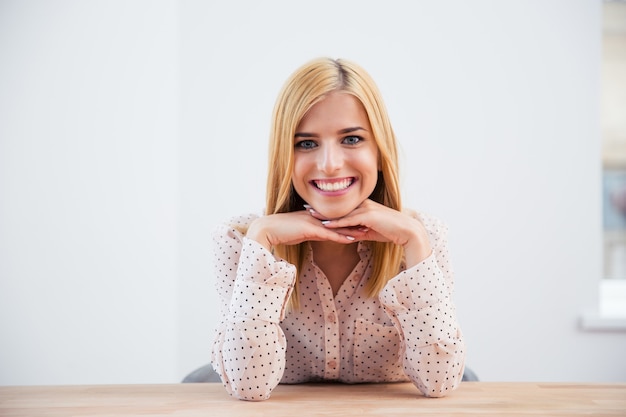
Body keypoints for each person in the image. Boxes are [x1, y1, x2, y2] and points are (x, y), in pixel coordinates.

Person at [210, 57, 465, 401]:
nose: (329, 164)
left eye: (351, 139)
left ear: (379, 150)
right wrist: (262, 241)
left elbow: (440, 382)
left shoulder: (425, 236)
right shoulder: (241, 240)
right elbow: (248, 387)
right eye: (307, 143)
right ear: (284, 155)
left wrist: (415, 240)